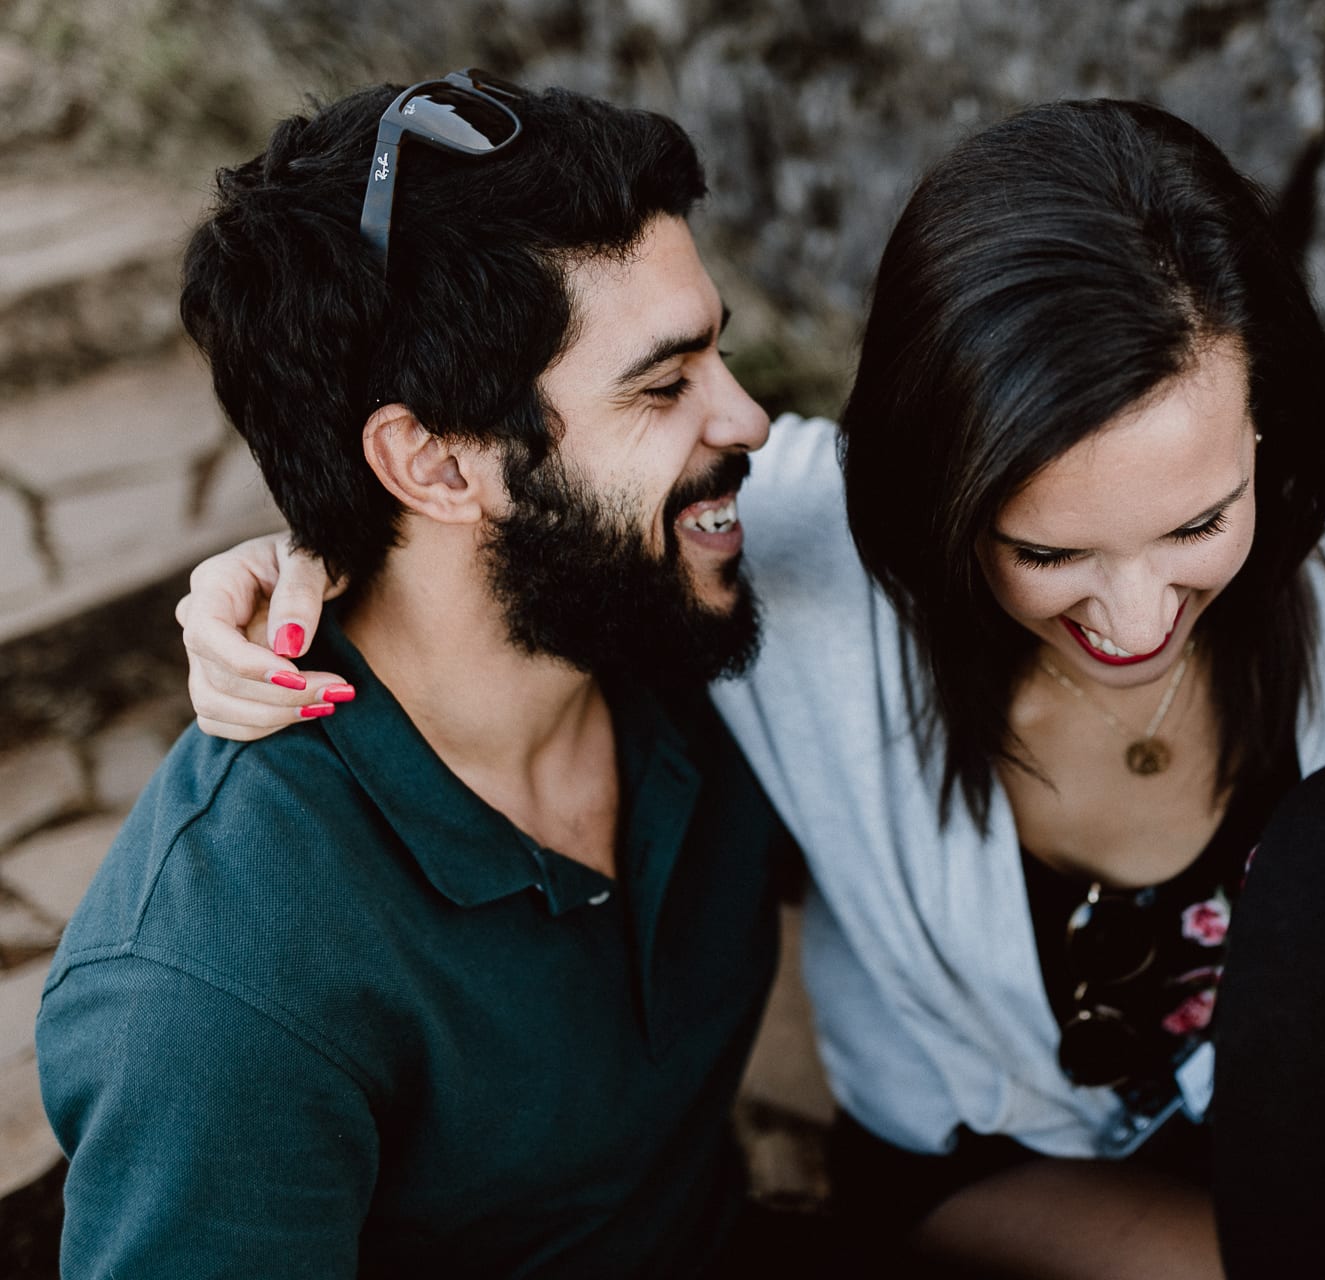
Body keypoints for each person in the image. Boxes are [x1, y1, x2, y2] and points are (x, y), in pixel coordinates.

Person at [169, 98, 1325, 1279]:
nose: (1139, 607)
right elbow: (511, 507)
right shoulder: (797, 559)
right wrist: (297, 557)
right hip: (980, 1187)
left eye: (1200, 519)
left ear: (1271, 448)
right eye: (1047, 547)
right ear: (940, 495)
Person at [34, 73, 842, 1278]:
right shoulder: (216, 995)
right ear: (437, 464)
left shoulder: (665, 621)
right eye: (665, 384)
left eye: (715, 353)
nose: (753, 420)